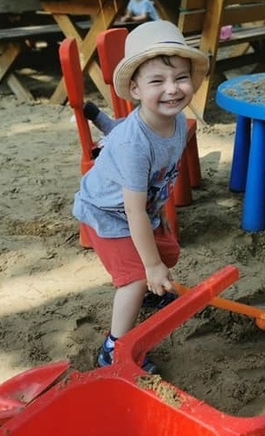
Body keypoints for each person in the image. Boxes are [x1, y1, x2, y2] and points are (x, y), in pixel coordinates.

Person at [72, 20, 209, 374]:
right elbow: (131, 211)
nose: (172, 90)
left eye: (181, 77)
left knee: (168, 253)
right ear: (134, 89)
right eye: (157, 81)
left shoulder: (177, 121)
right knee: (134, 277)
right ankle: (114, 348)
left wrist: (158, 216)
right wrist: (148, 266)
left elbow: (158, 179)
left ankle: (151, 291)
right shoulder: (134, 143)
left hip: (140, 207)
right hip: (108, 212)